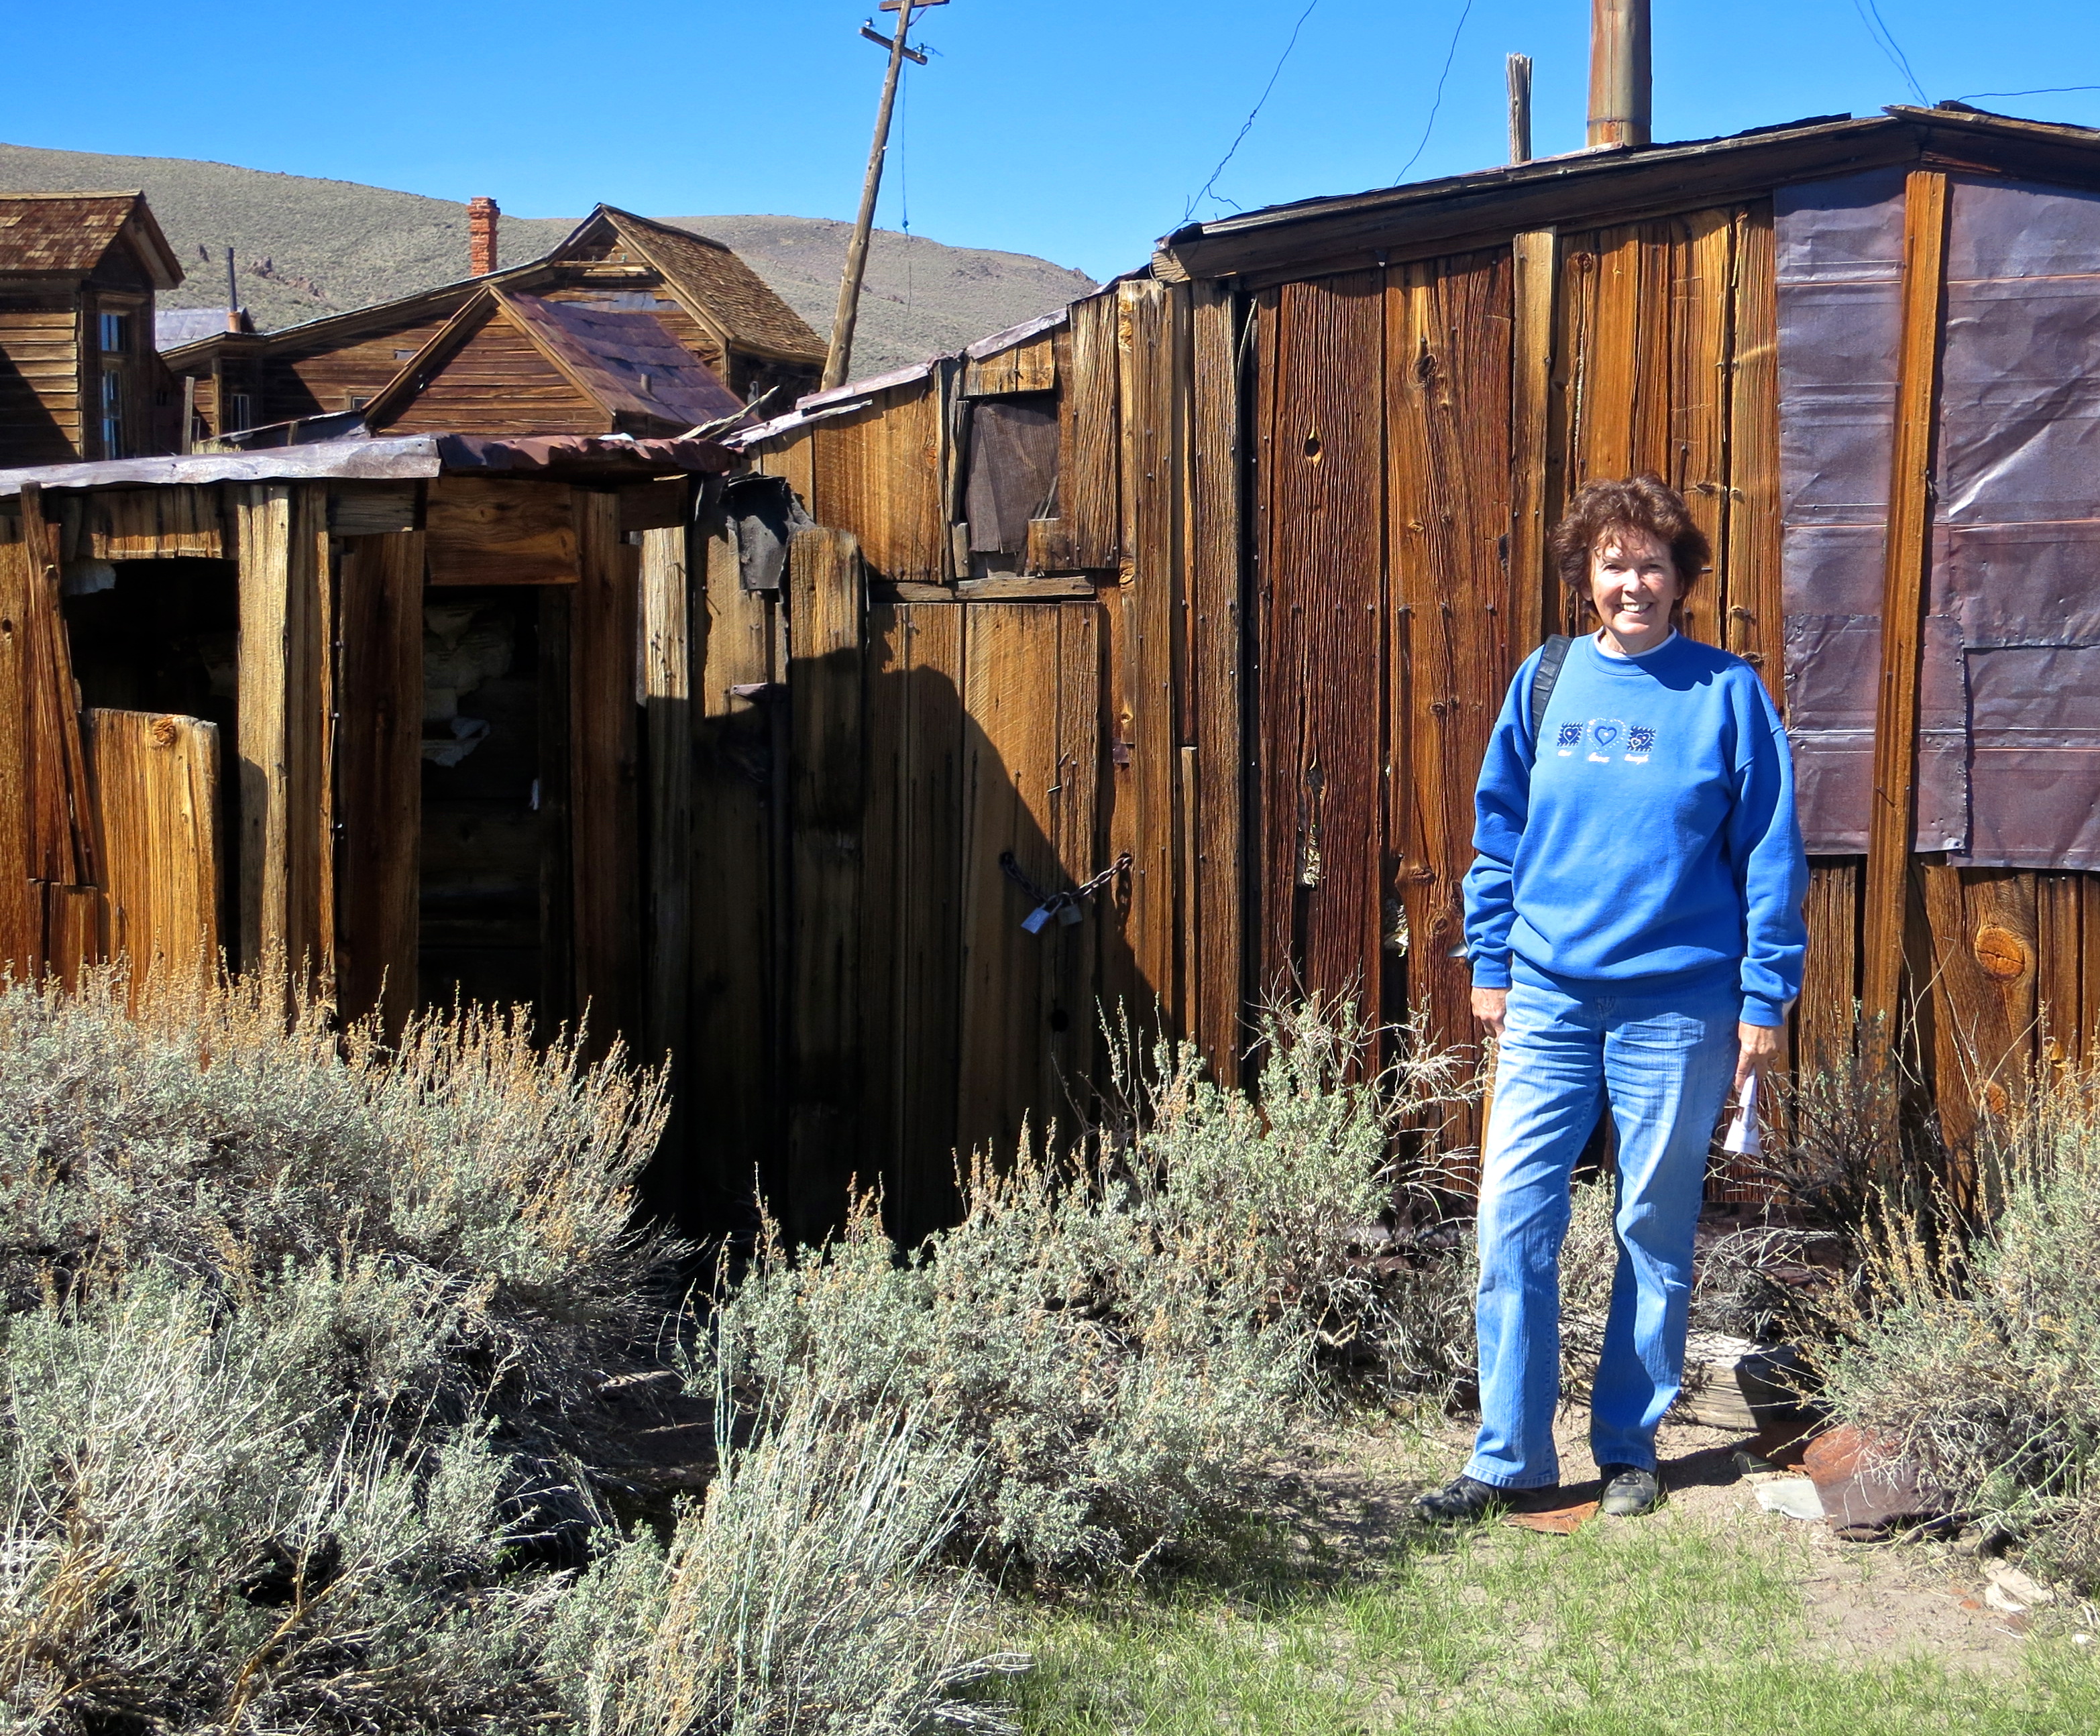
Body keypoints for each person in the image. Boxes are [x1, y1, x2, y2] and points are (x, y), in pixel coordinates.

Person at [1414, 474, 1808, 1523]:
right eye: (1613, 562)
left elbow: (1770, 856)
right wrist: (1491, 963)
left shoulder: (1726, 694)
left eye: (1652, 564)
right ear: (1585, 574)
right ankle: (1508, 1457)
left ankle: (1629, 1446)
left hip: (1678, 1009)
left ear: (1683, 579)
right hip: (1548, 997)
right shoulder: (1545, 680)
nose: (1633, 582)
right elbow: (1498, 833)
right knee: (1512, 1220)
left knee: (1651, 1225)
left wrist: (1764, 996)